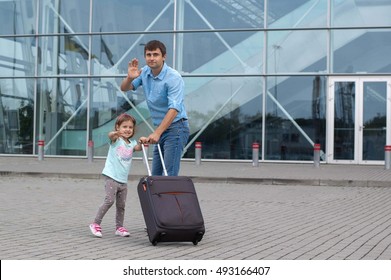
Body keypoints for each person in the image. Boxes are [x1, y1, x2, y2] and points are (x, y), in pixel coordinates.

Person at [120, 40, 189, 176]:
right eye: (148, 55)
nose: (152, 58)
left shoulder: (173, 78)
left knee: (169, 175)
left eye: (155, 54)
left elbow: (174, 109)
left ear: (164, 57)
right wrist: (129, 78)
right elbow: (124, 88)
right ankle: (158, 198)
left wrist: (157, 133)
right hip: (160, 128)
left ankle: (171, 197)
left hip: (176, 128)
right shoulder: (145, 72)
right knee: (155, 175)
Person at [89, 113, 147, 238]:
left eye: (130, 127)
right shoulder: (116, 140)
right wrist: (114, 134)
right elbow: (110, 135)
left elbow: (137, 148)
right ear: (118, 127)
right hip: (112, 177)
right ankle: (95, 224)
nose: (127, 130)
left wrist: (142, 142)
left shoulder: (131, 143)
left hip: (123, 180)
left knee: (121, 205)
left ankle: (119, 227)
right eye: (124, 127)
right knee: (109, 200)